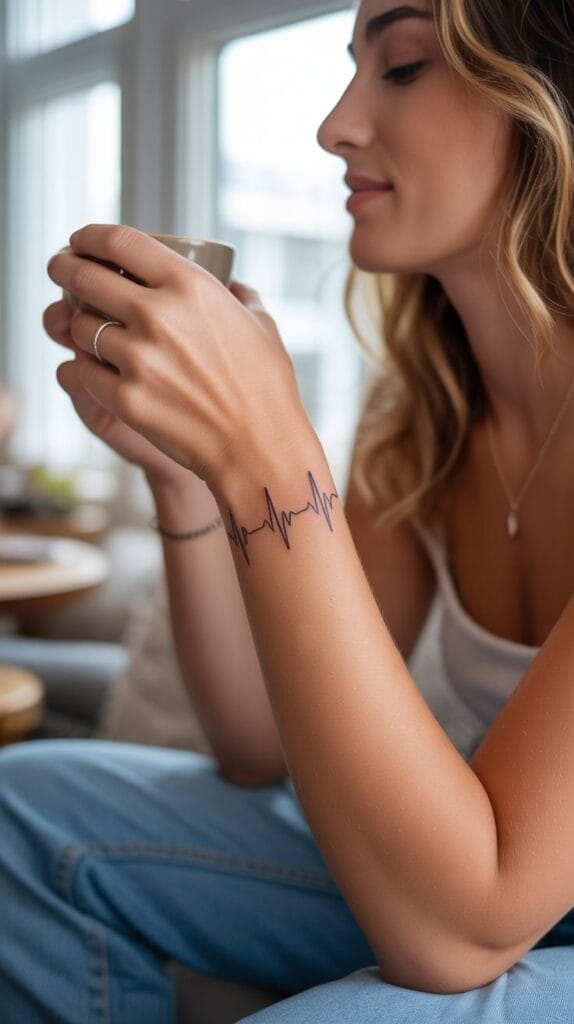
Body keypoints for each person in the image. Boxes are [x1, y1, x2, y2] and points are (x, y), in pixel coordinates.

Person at [1, 0, 573, 1019]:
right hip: (476, 892)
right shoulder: (427, 416)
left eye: (402, 65)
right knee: (22, 812)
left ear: (548, 103)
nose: (334, 125)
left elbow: (459, 931)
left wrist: (267, 449)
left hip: (483, 905)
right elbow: (260, 742)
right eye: (350, 66)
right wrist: (189, 474)